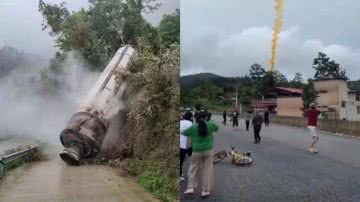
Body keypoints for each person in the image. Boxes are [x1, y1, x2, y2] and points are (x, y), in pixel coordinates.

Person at [183, 112, 219, 198]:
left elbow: (184, 133)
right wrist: (210, 122)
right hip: (208, 151)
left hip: (196, 151)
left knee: (193, 169)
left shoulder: (193, 127)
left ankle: (190, 188)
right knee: (207, 170)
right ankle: (205, 190)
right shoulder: (210, 125)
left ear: (195, 118)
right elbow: (217, 128)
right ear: (206, 117)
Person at [180, 111, 193, 181]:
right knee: (183, 160)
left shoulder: (181, 121)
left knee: (181, 160)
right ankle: (180, 174)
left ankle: (180, 173)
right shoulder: (190, 123)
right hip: (184, 145)